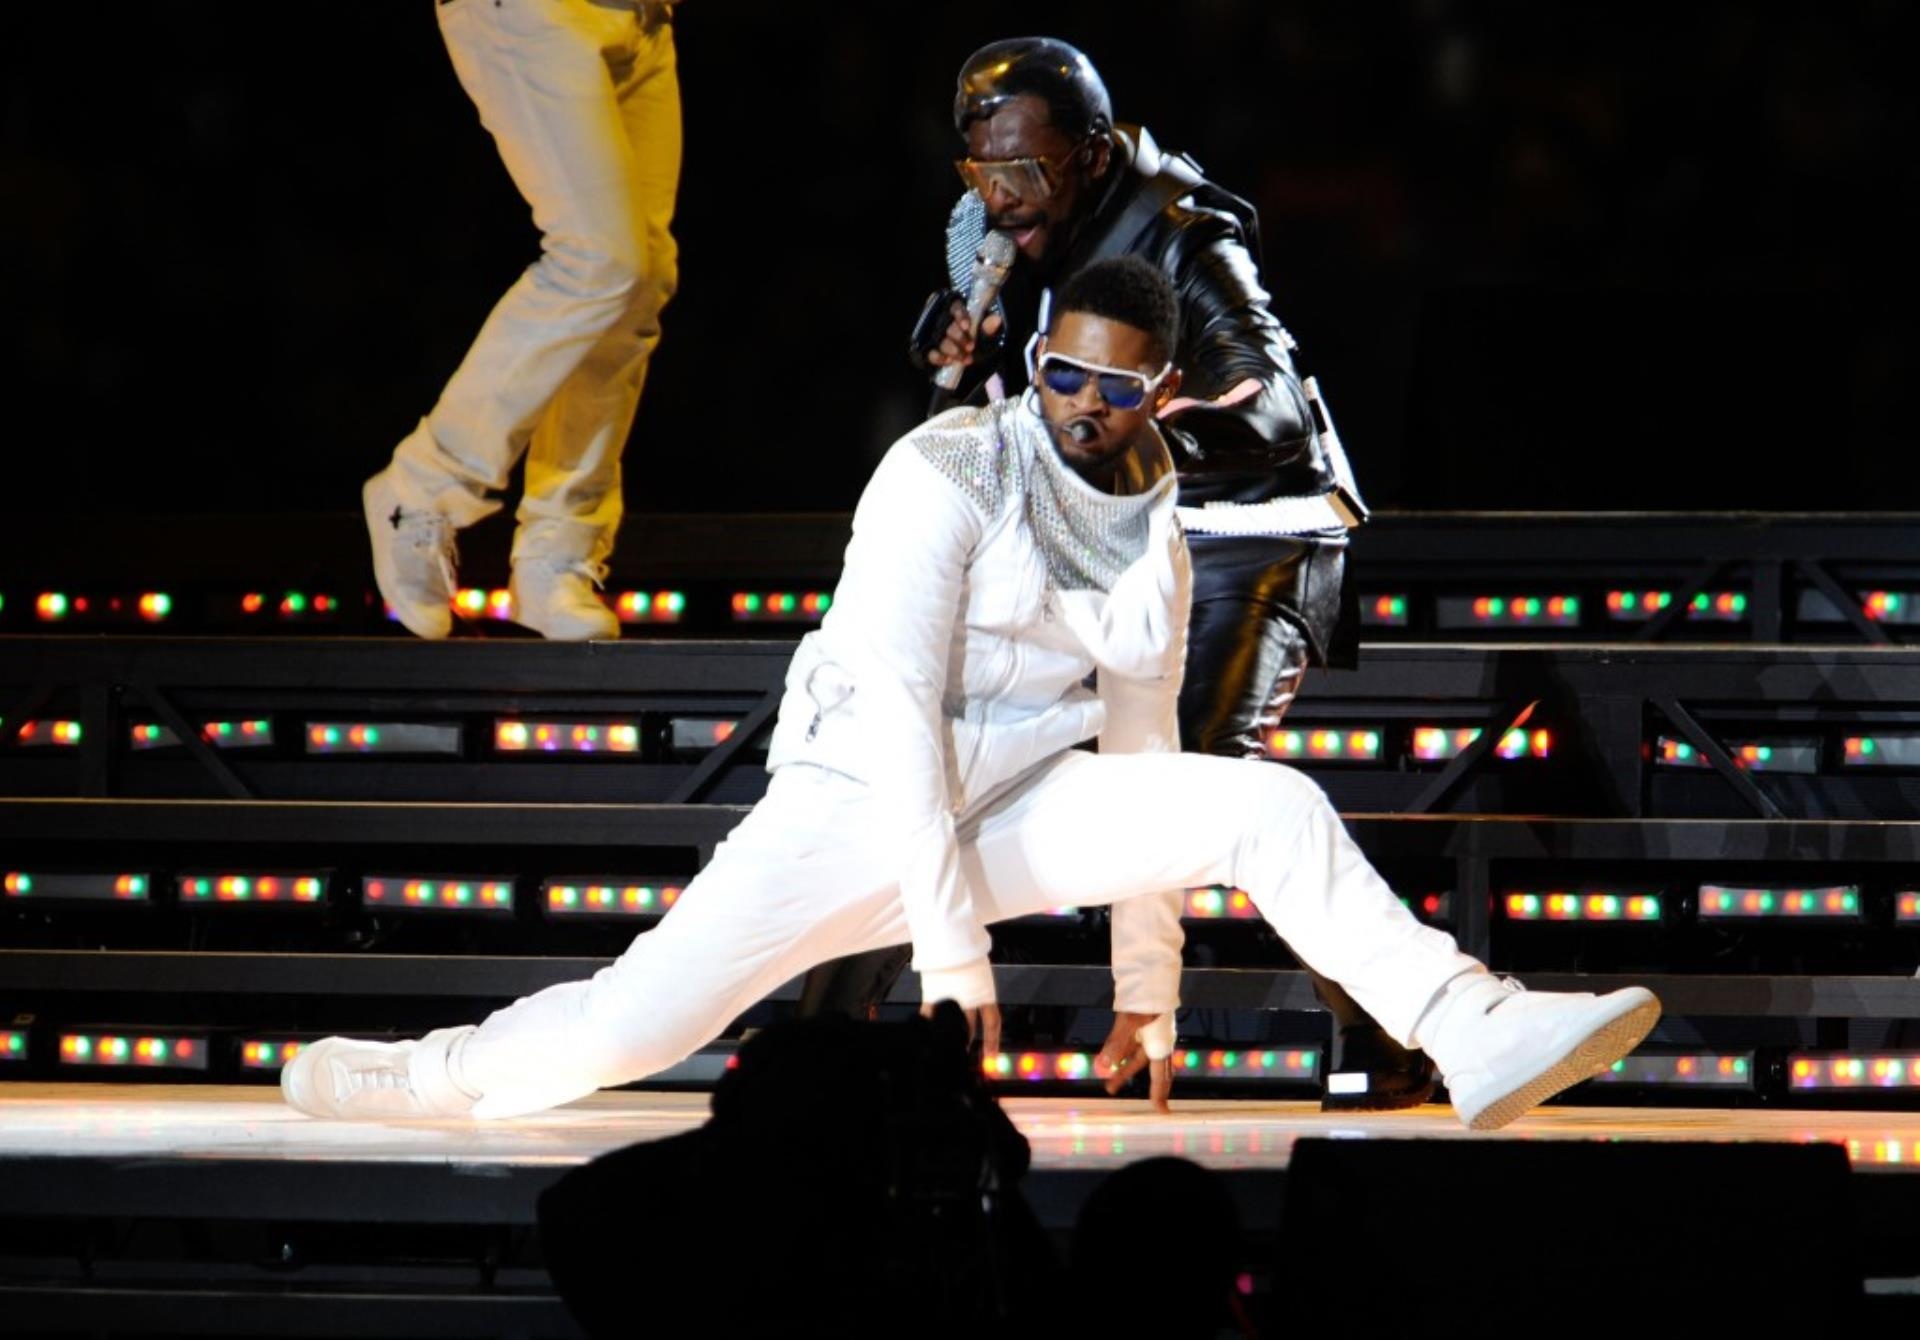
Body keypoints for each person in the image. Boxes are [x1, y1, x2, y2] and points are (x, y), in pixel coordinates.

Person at [283, 259, 1659, 1132]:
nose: (1076, 403)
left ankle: (1475, 1027)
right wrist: (954, 957)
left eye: (1111, 388)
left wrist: (1149, 987)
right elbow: (892, 711)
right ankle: (418, 1075)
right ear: (1037, 356)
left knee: (1268, 806)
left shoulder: (1158, 532)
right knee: (631, 1032)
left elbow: (1137, 736)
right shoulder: (939, 472)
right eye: (1059, 371)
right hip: (856, 802)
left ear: (1159, 392)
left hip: (1022, 803)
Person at [809, 36, 1420, 1111]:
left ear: (1091, 156)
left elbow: (1268, 409)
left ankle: (1395, 1028)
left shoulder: (1186, 235)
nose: (1001, 196)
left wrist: (1125, 449)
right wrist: (958, 348)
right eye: (981, 171)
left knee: (1201, 789)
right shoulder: (992, 237)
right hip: (1103, 544)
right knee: (931, 746)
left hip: (1247, 533)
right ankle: (832, 1040)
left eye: (1025, 172)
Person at [364, 0, 681, 642]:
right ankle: (422, 487)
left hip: (644, 19)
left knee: (638, 282)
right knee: (600, 260)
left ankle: (555, 555)